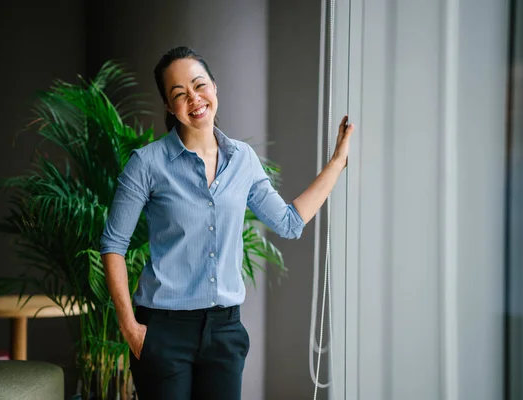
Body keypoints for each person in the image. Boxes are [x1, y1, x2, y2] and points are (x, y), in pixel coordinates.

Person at [100, 46, 354, 400]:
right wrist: (130, 329)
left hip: (224, 331)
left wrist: (338, 161)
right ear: (170, 108)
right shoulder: (147, 164)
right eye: (179, 94)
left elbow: (289, 222)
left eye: (199, 85)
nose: (193, 98)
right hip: (163, 330)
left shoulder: (243, 159)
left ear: (215, 88)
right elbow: (113, 246)